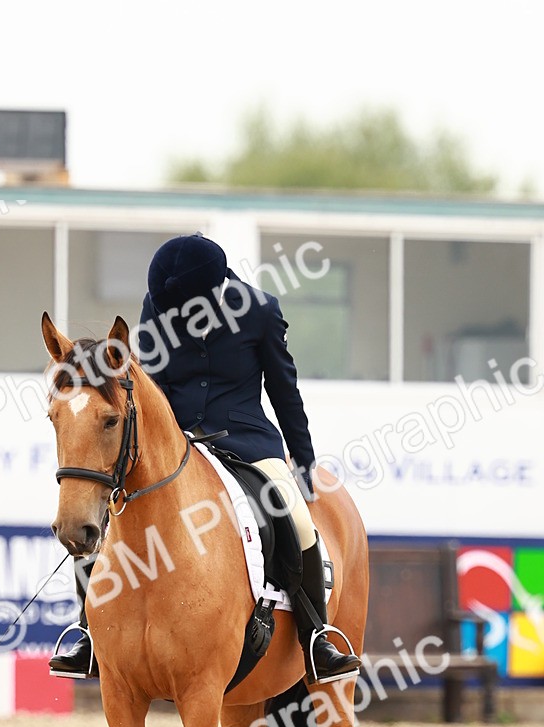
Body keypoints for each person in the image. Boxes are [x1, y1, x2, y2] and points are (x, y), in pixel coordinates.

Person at [48, 233, 360, 684]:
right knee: (104, 512)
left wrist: (304, 462)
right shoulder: (156, 306)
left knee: (295, 516)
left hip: (246, 442)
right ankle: (88, 630)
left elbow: (284, 393)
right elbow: (148, 384)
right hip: (176, 443)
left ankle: (316, 636)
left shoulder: (260, 311)